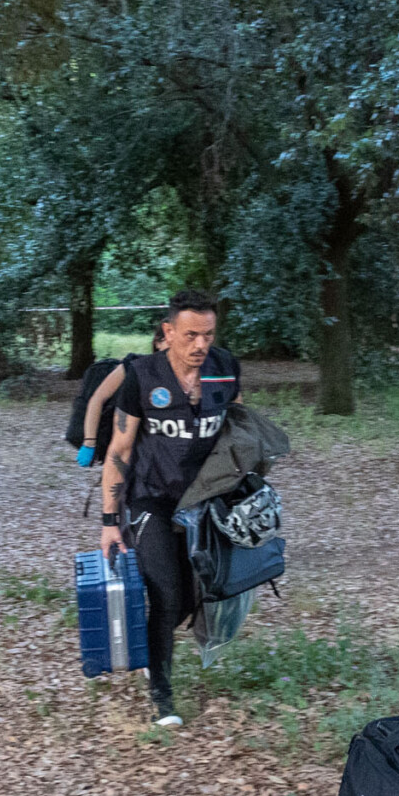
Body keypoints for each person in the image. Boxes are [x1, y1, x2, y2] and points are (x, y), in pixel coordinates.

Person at [96, 288, 241, 727]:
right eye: (191, 335)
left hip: (204, 502)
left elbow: (236, 435)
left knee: (194, 597)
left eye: (208, 335)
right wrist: (108, 520)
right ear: (169, 331)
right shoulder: (143, 376)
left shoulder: (227, 369)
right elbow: (120, 449)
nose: (200, 345)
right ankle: (161, 693)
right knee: (167, 593)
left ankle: (149, 645)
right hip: (151, 500)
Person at [69, 330, 164, 466]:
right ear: (158, 343)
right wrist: (89, 443)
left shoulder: (192, 375)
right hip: (129, 450)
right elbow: (98, 399)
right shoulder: (134, 366)